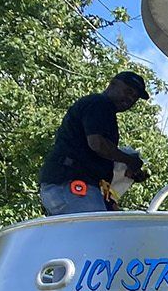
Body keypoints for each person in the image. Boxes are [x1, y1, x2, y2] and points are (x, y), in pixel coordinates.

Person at [38, 71, 152, 215]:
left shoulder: (101, 109)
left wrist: (125, 169)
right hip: (72, 182)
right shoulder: (99, 103)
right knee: (94, 233)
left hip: (70, 185)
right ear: (113, 84)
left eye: (135, 97)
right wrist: (129, 160)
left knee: (94, 233)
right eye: (128, 91)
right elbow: (97, 144)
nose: (130, 98)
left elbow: (94, 152)